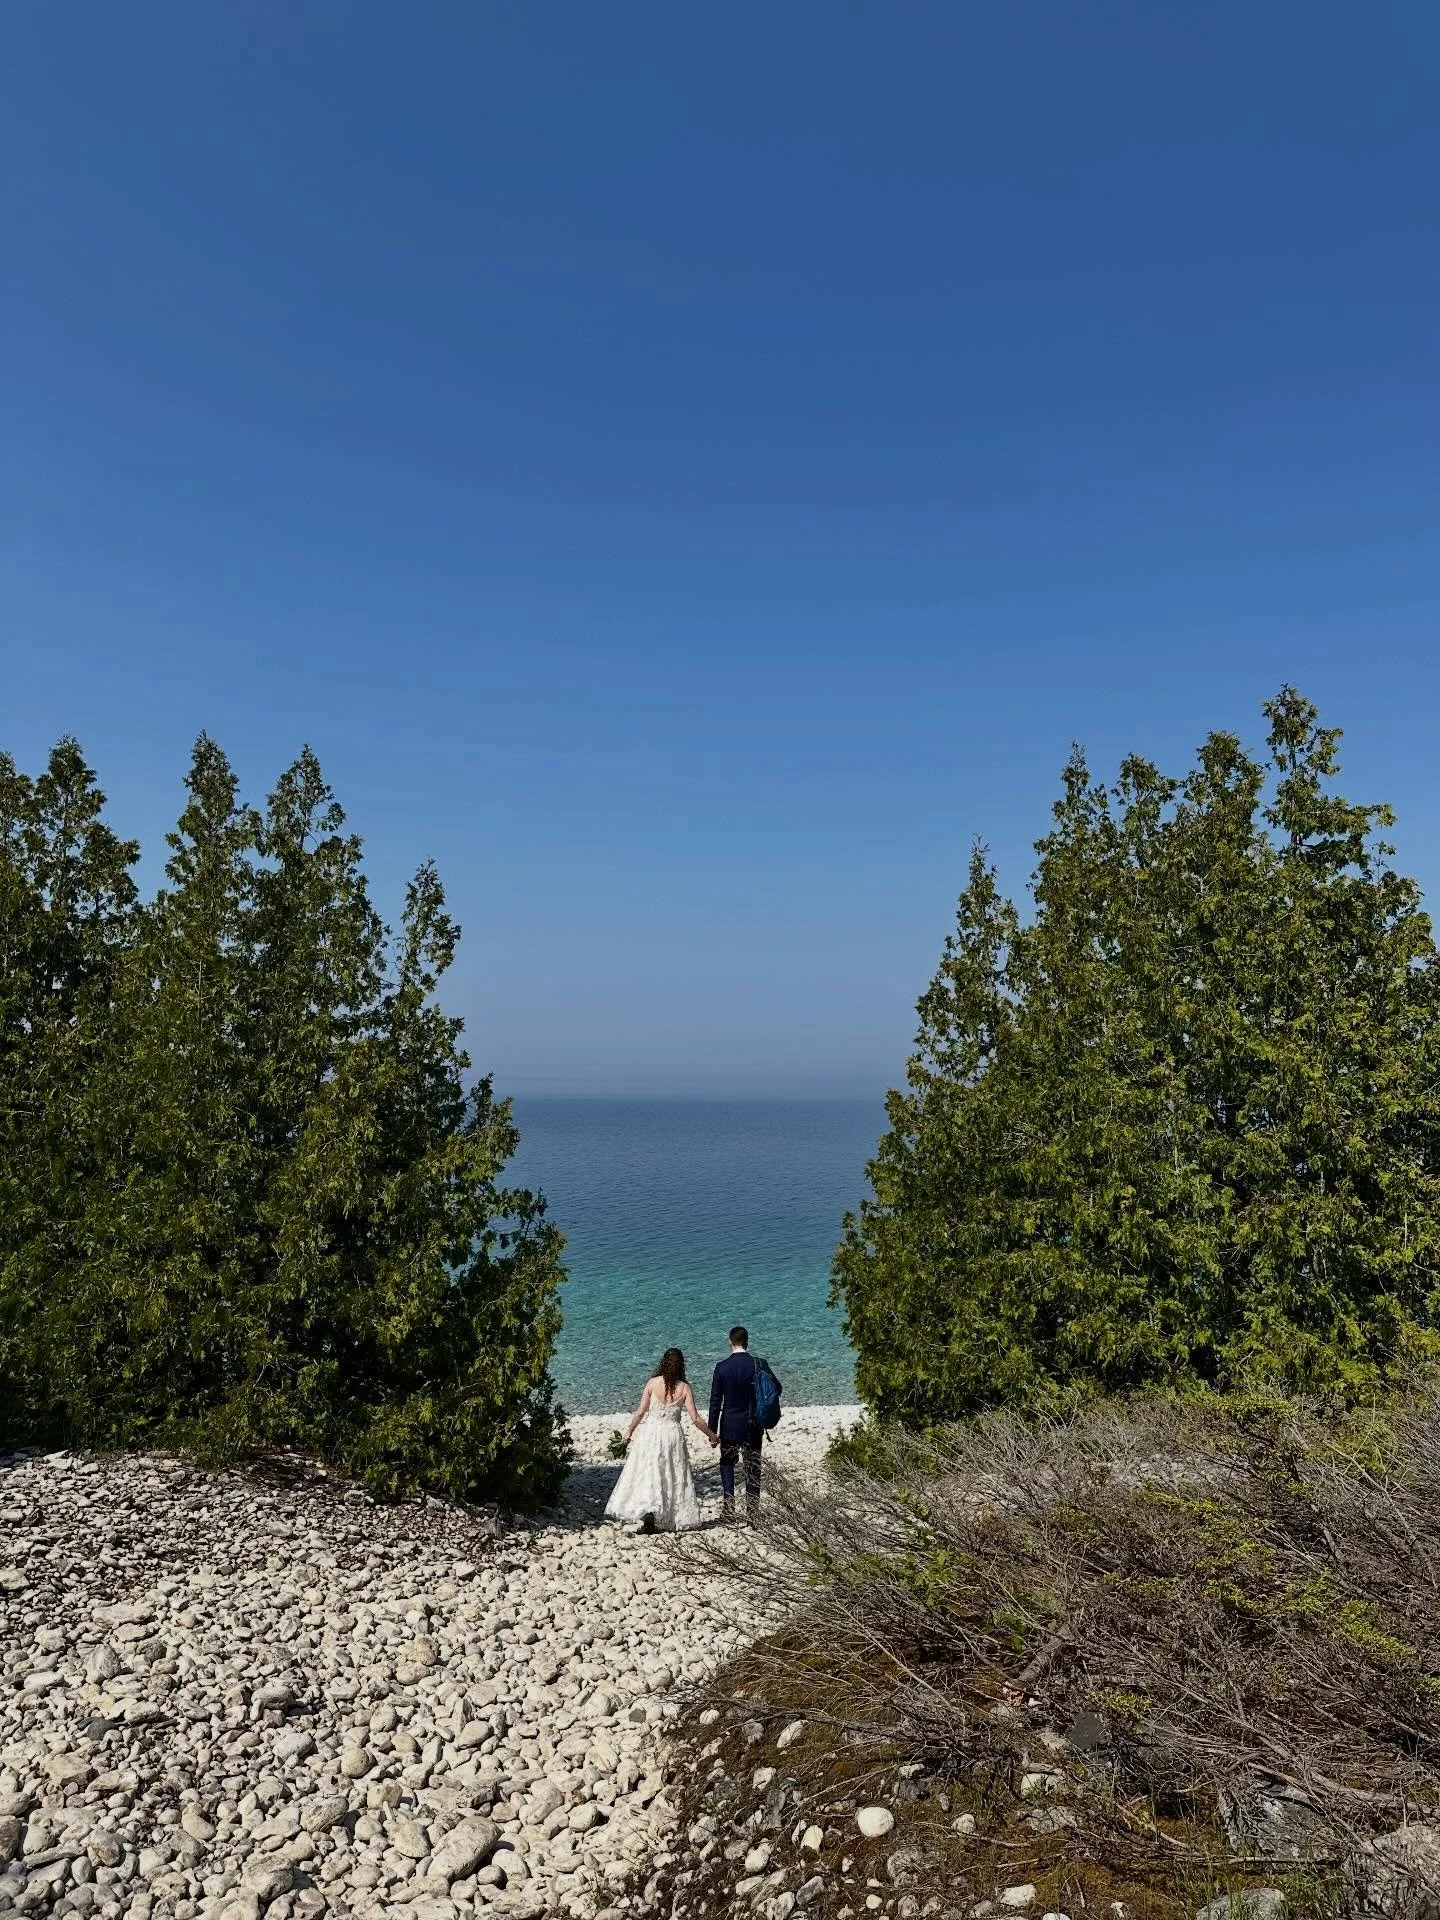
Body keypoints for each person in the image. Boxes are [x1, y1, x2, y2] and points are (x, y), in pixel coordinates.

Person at [604, 1347, 716, 1533]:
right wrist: (711, 1435)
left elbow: (640, 1412)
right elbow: (695, 1419)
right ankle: (671, 1515)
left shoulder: (652, 1383)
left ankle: (649, 1510)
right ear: (681, 1366)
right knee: (671, 1473)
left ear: (663, 1363)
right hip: (672, 1435)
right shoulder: (684, 1388)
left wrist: (629, 1431)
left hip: (651, 1433)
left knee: (649, 1471)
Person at [708, 1325, 763, 1522]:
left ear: (730, 1342)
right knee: (753, 1466)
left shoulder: (721, 1367)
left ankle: (729, 1508)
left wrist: (712, 1431)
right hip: (753, 1423)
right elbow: (776, 1388)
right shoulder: (758, 1364)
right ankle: (753, 1512)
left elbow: (715, 1402)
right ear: (747, 1342)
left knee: (727, 1463)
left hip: (729, 1424)